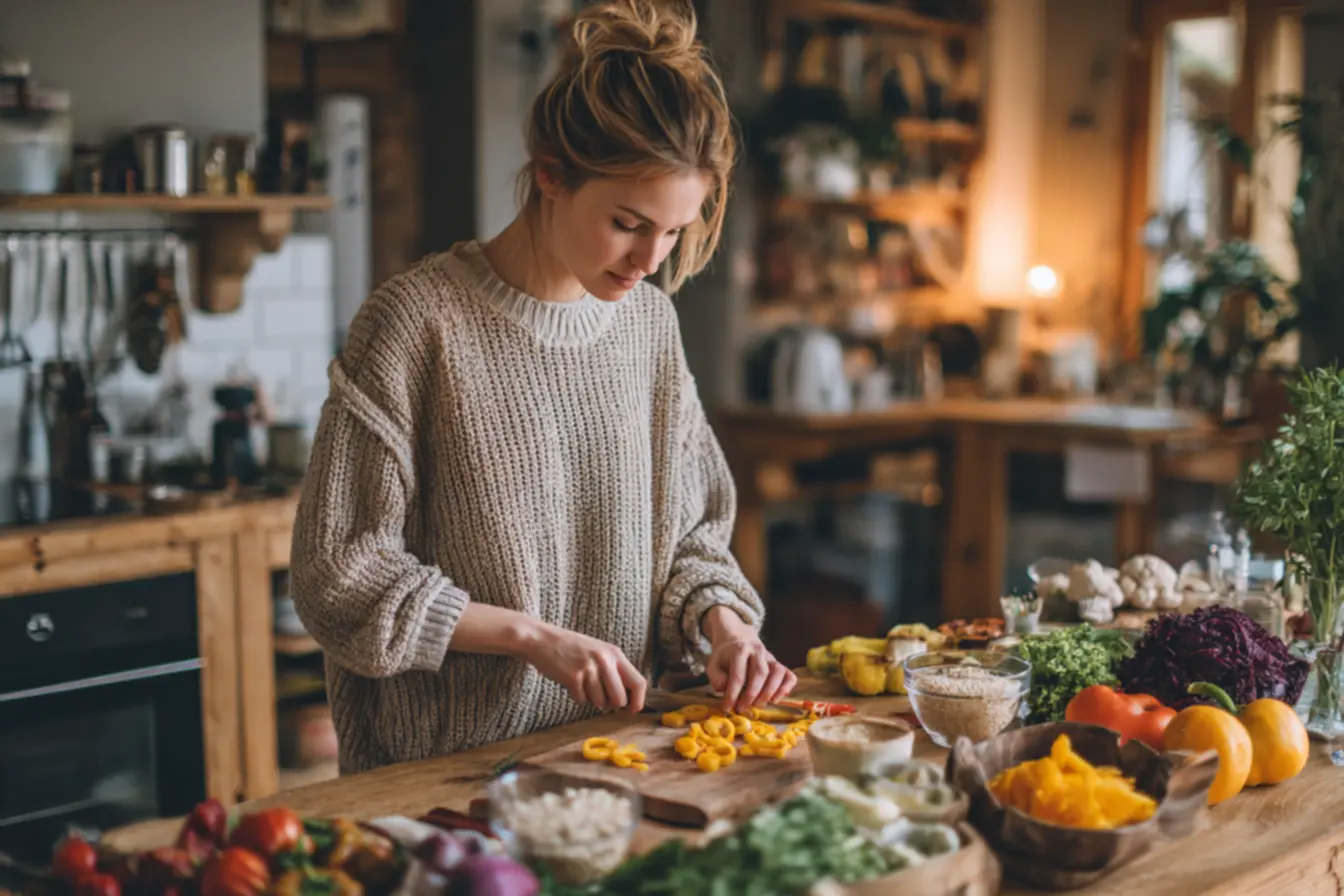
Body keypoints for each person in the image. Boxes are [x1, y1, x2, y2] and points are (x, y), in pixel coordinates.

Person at [290, 0, 795, 773]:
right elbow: (338, 571)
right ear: (552, 174)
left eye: (673, 232)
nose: (649, 260)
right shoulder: (416, 323)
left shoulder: (648, 327)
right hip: (447, 776)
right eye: (628, 223)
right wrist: (530, 638)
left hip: (616, 759)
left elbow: (693, 537)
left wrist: (725, 625)